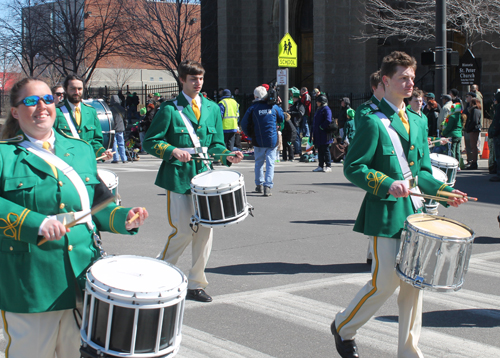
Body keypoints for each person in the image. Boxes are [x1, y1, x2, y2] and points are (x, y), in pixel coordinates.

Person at [331, 51, 468, 358]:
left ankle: (409, 352)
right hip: (384, 213)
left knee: (413, 285)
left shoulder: (418, 121)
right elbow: (353, 167)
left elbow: (420, 171)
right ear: (386, 81)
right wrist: (384, 182)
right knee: (385, 282)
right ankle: (343, 327)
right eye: (402, 78)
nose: (409, 84)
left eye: (411, 78)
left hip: (416, 213)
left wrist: (445, 192)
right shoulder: (370, 121)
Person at [0, 77, 148, 358]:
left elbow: (94, 205)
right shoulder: (4, 155)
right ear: (16, 112)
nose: (41, 106)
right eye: (31, 101)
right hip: (32, 282)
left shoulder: (80, 150)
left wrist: (122, 218)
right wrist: (36, 223)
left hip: (82, 275)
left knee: (75, 353)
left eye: (47, 99)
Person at [143, 60, 243, 303]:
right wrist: (171, 150)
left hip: (205, 178)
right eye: (192, 79)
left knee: (205, 232)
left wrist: (228, 156)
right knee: (184, 232)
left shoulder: (211, 107)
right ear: (182, 80)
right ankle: (160, 273)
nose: (198, 83)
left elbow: (217, 144)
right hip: (178, 177)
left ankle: (196, 284)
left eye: (200, 78)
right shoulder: (169, 109)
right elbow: (150, 141)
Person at [53, 74, 113, 160]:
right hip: (64, 163)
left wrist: (102, 153)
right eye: (72, 89)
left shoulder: (91, 111)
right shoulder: (56, 112)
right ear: (66, 90)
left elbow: (96, 140)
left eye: (79, 89)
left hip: (85, 163)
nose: (76, 92)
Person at [240, 86, 284, 197]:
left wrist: (250, 134)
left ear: (255, 96)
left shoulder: (253, 108)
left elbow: (244, 124)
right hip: (271, 139)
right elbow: (282, 118)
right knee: (270, 163)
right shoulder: (273, 107)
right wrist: (279, 105)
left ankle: (259, 184)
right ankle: (267, 186)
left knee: (258, 162)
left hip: (258, 139)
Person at [311, 94, 333, 172]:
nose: (317, 102)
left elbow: (328, 120)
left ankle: (328, 165)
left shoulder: (326, 109)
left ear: (322, 102)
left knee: (326, 150)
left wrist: (321, 127)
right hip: (319, 134)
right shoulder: (319, 109)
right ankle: (320, 165)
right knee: (320, 150)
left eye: (318, 101)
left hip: (324, 133)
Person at [440, 96, 463, 162]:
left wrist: (443, 133)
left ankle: (453, 162)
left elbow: (449, 127)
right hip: (459, 134)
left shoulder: (452, 117)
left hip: (452, 134)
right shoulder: (461, 116)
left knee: (452, 150)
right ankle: (458, 164)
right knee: (457, 150)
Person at [463, 97, 482, 170]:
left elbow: (474, 121)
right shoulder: (475, 110)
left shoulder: (475, 110)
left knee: (473, 147)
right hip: (474, 130)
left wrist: (468, 128)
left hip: (473, 130)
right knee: (473, 146)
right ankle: (474, 162)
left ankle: (474, 162)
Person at [109, 94, 128, 164]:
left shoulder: (111, 110)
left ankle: (116, 158)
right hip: (121, 128)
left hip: (114, 128)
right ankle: (124, 158)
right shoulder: (122, 108)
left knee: (114, 144)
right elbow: (125, 119)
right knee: (121, 143)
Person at [288, 90, 305, 156]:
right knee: (295, 137)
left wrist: (291, 113)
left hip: (297, 123)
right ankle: (296, 150)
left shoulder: (299, 105)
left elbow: (301, 113)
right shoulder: (295, 105)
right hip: (294, 122)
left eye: (294, 97)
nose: (293, 99)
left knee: (296, 137)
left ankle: (298, 151)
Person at [490, 92, 500, 182]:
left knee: (498, 155)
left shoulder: (498, 108)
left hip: (498, 135)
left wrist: (494, 132)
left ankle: (499, 174)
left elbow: (497, 122)